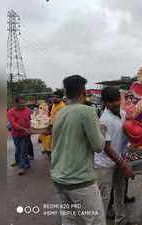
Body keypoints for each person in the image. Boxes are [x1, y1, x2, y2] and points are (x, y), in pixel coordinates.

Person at [51, 75, 106, 225]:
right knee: (96, 221)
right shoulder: (87, 111)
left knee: (69, 220)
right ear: (83, 92)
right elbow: (98, 146)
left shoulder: (60, 112)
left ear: (66, 92)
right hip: (80, 179)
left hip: (58, 177)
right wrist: (102, 132)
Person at [94, 86, 137, 225]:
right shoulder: (104, 120)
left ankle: (121, 220)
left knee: (120, 192)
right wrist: (124, 164)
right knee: (104, 199)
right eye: (112, 101)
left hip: (119, 159)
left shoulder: (123, 114)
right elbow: (106, 148)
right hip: (105, 164)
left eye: (118, 100)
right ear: (105, 103)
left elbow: (129, 133)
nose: (116, 103)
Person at [7, 96, 32, 175]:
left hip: (26, 134)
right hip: (16, 134)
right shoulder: (11, 112)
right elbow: (14, 124)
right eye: (21, 103)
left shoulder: (28, 110)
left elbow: (32, 118)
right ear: (16, 103)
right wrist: (24, 129)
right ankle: (26, 163)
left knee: (23, 150)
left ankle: (22, 167)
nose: (23, 104)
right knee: (19, 149)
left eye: (24, 102)